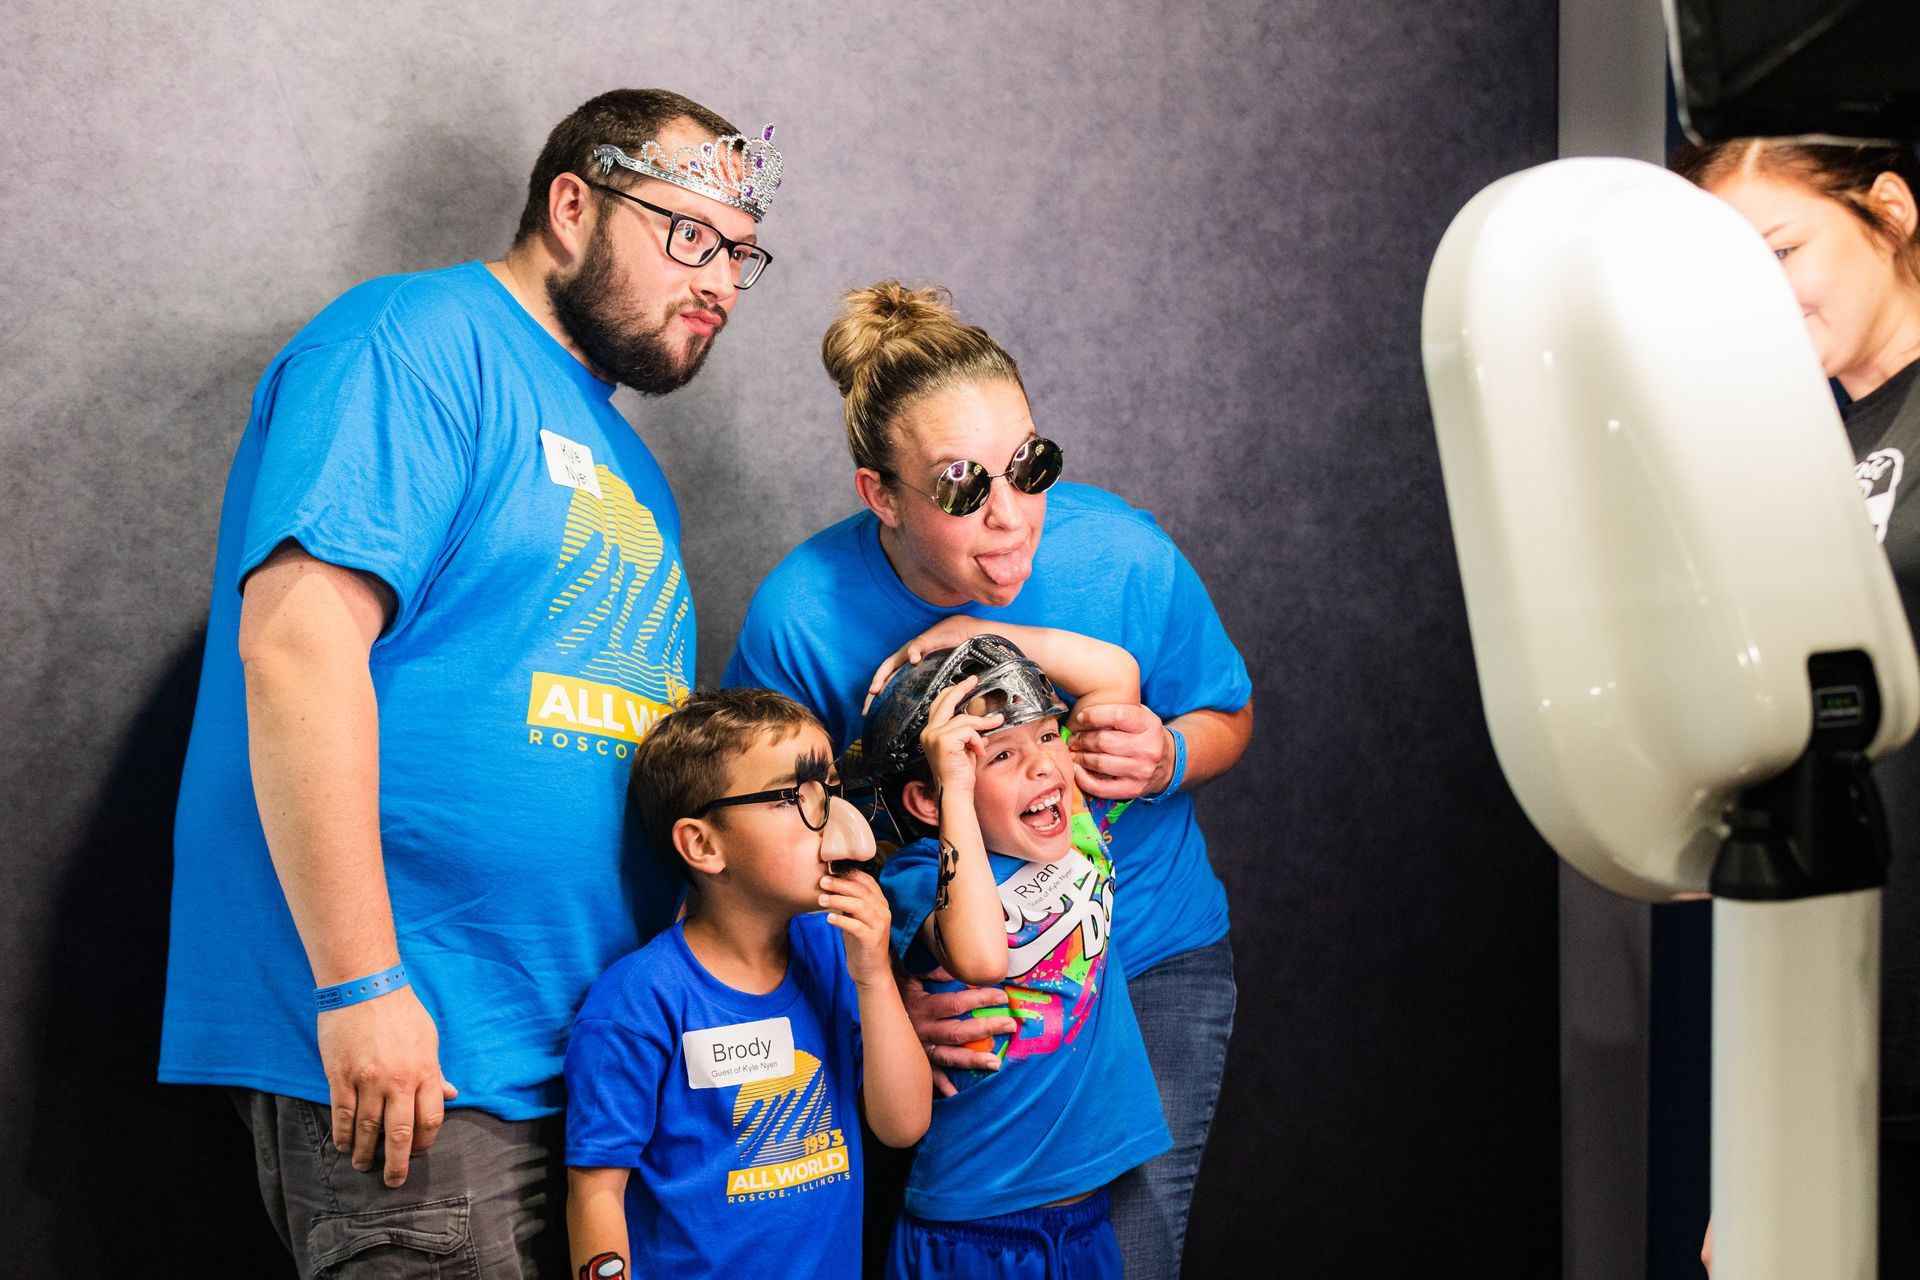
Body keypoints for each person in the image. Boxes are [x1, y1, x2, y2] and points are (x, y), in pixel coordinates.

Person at [158, 88, 783, 1276]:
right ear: (570, 205)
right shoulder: (412, 342)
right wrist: (365, 982)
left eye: (744, 256)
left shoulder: (630, 464)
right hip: (425, 1056)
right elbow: (294, 645)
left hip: (586, 1065)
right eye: (688, 235)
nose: (720, 282)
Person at [723, 281, 1253, 1277]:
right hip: (958, 981)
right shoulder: (802, 616)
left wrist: (1168, 753)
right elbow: (756, 855)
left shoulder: (1122, 553)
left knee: (1131, 1257)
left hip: (1147, 954)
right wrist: (869, 999)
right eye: (965, 488)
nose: (1012, 521)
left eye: (1030, 467)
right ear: (880, 493)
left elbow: (1228, 713)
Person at [1678, 137, 1920, 1277]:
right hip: (1841, 998)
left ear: (1890, 209)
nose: (1766, 298)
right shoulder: (1812, 443)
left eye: (1783, 249)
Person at [565, 688, 931, 1279]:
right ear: (704, 844)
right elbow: (596, 1193)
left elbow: (904, 1124)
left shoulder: (835, 953)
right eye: (797, 796)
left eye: (831, 792)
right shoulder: (640, 1000)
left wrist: (873, 976)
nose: (838, 822)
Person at [863, 629, 1169, 1279]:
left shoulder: (1077, 820)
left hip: (1086, 1212)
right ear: (928, 797)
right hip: (972, 1224)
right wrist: (953, 787)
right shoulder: (923, 874)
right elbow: (980, 958)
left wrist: (965, 639)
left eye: (1049, 736)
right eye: (998, 756)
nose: (1044, 767)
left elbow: (1116, 669)